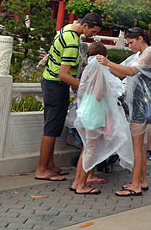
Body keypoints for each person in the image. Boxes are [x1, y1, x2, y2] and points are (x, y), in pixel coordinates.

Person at [96, 27, 151, 197]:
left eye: (131, 42)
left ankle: (135, 185)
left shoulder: (148, 54)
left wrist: (108, 63)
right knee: (139, 145)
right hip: (143, 102)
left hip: (143, 103)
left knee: (137, 146)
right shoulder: (141, 55)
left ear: (140, 39)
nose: (129, 46)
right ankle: (141, 180)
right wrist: (105, 68)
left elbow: (131, 71)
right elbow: (122, 74)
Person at [34, 12, 102, 182]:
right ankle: (42, 169)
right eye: (93, 31)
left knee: (54, 126)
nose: (93, 36)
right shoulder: (72, 41)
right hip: (56, 85)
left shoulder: (67, 29)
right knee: (51, 128)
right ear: (85, 25)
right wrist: (85, 88)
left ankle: (50, 165)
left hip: (51, 82)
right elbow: (63, 74)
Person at [70, 42, 133, 195]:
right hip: (95, 112)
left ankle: (77, 182)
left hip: (86, 110)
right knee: (91, 150)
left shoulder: (87, 68)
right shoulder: (99, 68)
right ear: (104, 56)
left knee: (87, 148)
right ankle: (81, 185)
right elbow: (99, 94)